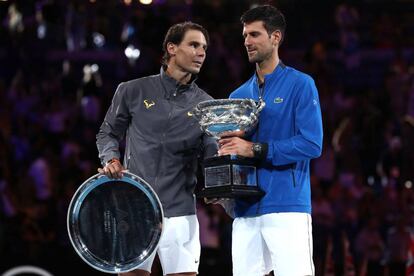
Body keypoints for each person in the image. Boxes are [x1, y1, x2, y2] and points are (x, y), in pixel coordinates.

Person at [96, 21, 217, 276]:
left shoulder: (208, 106)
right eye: (194, 45)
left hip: (181, 213)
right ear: (172, 48)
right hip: (135, 209)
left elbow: (212, 156)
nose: (201, 52)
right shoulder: (132, 90)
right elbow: (107, 133)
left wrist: (222, 166)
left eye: (204, 47)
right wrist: (111, 159)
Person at [217, 5, 323, 276]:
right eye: (244, 36)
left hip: (287, 206)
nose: (247, 42)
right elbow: (233, 152)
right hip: (245, 211)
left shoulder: (301, 84)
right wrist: (221, 180)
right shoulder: (237, 95)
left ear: (275, 37)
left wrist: (254, 149)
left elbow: (312, 144)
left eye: (254, 35)